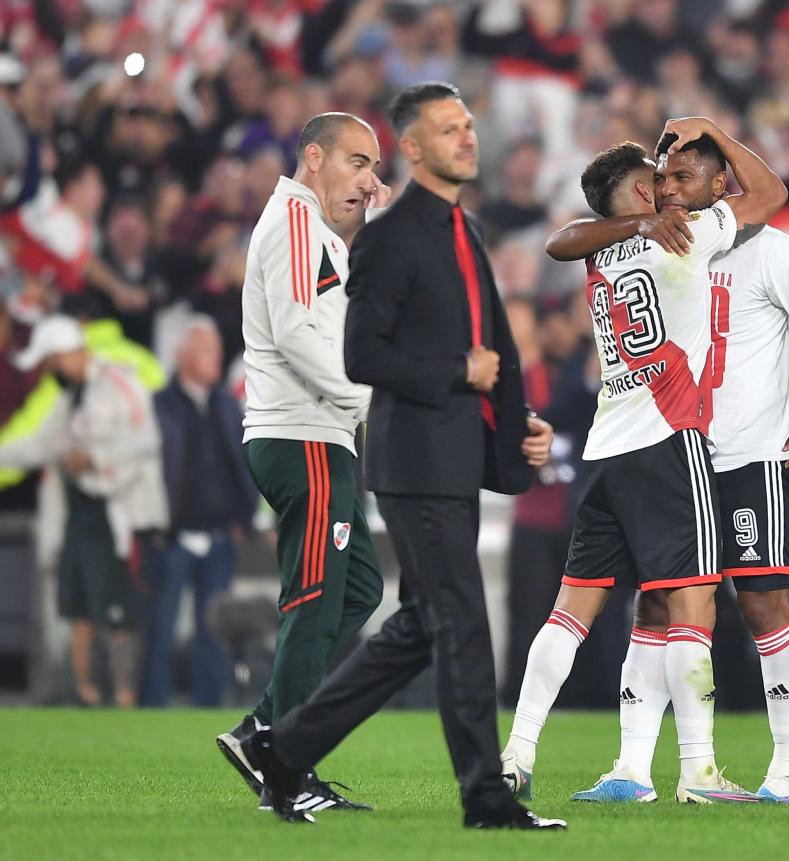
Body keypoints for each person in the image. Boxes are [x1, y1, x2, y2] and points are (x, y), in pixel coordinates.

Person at [239, 83, 561, 830]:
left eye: (469, 125)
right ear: (413, 149)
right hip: (404, 456)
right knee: (461, 621)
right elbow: (365, 353)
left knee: (415, 626)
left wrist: (515, 428)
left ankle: (284, 748)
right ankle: (485, 796)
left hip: (447, 451)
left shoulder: (463, 232)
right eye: (448, 129)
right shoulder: (383, 237)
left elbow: (493, 350)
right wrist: (458, 374)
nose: (467, 138)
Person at [532, 120, 789, 806]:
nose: (669, 190)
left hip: (749, 455)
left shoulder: (769, 250)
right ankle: (630, 766)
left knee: (764, 605)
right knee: (655, 605)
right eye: (663, 179)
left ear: (720, 184)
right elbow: (570, 244)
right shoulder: (660, 241)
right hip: (680, 457)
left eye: (684, 177)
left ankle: (787, 770)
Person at [214, 112, 392, 812]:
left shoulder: (319, 233)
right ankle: (283, 766)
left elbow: (339, 318)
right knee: (316, 596)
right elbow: (295, 333)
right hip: (303, 435)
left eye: (374, 166)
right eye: (357, 161)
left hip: (323, 435)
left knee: (358, 591)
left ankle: (264, 727)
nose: (368, 179)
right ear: (312, 157)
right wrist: (367, 397)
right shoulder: (292, 221)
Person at [0, 313, 167, 706]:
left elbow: (145, 442)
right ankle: (87, 696)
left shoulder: (121, 381)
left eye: (52, 361)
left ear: (69, 353)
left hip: (120, 515)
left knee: (120, 609)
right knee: (79, 607)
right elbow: (39, 445)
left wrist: (93, 460)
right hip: (80, 516)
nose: (49, 370)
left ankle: (124, 697)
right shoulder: (67, 398)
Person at [140, 317, 257, 707]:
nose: (217, 357)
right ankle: (151, 707)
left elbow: (244, 461)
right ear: (183, 354)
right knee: (161, 627)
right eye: (207, 349)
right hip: (172, 536)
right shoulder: (159, 404)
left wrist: (246, 514)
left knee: (215, 632)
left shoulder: (225, 404)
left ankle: (209, 709)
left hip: (219, 535)